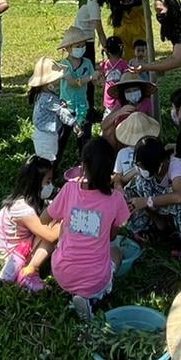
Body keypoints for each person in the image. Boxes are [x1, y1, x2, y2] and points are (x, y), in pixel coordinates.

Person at [44, 137, 130, 319]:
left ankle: (77, 292)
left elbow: (45, 218)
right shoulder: (116, 199)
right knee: (116, 253)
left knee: (63, 232)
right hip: (94, 279)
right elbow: (111, 236)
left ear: (83, 166)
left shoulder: (69, 189)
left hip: (62, 271)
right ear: (111, 170)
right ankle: (95, 297)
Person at [125, 135, 181, 241]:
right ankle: (153, 227)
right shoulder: (147, 168)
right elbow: (125, 180)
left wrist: (147, 201)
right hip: (159, 206)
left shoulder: (176, 167)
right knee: (135, 186)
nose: (140, 169)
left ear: (160, 165)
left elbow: (179, 197)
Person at [0, 157, 56, 292]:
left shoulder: (30, 202)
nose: (50, 185)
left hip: (23, 246)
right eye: (47, 181)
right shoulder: (22, 208)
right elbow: (51, 236)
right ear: (35, 183)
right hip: (13, 257)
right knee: (52, 235)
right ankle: (28, 272)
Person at [27, 57, 78, 164]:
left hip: (44, 134)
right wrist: (74, 123)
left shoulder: (42, 94)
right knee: (47, 162)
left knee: (47, 161)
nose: (57, 81)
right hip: (46, 136)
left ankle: (46, 178)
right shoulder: (48, 98)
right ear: (48, 83)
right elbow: (61, 112)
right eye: (55, 80)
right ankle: (46, 178)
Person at [57, 28, 96, 137]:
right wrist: (91, 77)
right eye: (77, 46)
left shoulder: (87, 63)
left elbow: (95, 81)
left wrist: (100, 78)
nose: (81, 48)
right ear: (68, 48)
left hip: (82, 105)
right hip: (67, 106)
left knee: (85, 137)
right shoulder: (64, 65)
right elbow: (72, 82)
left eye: (83, 45)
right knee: (62, 136)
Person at [101, 73, 156, 146]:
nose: (132, 94)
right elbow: (104, 125)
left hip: (141, 138)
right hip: (122, 139)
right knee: (109, 129)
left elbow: (152, 124)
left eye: (135, 90)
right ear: (123, 93)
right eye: (128, 91)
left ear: (141, 89)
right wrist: (119, 112)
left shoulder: (146, 103)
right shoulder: (120, 104)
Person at [99, 34, 131, 115]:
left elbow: (103, 82)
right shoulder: (124, 64)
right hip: (121, 98)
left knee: (108, 118)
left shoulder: (104, 64)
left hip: (108, 97)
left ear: (107, 51)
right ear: (121, 49)